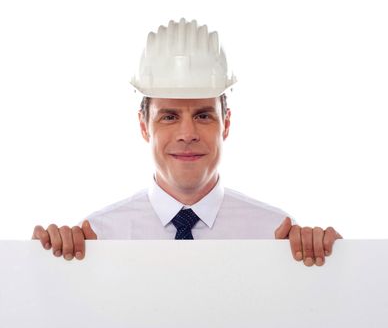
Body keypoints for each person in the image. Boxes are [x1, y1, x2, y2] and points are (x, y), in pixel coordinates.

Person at [32, 18, 342, 267]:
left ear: (227, 123)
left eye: (204, 115)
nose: (187, 133)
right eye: (168, 116)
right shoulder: (98, 238)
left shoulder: (275, 235)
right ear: (144, 125)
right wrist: (44, 268)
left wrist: (338, 267)